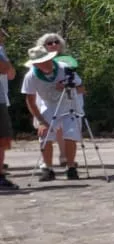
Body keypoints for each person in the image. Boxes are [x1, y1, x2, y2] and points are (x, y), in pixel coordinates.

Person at [22, 41, 84, 180]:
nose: (45, 64)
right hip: (48, 105)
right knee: (45, 135)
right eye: (40, 62)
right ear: (35, 64)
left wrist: (69, 87)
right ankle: (48, 168)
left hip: (68, 103)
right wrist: (41, 121)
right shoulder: (31, 76)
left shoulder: (64, 68)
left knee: (70, 134)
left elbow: (82, 89)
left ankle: (71, 167)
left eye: (46, 60)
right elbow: (30, 101)